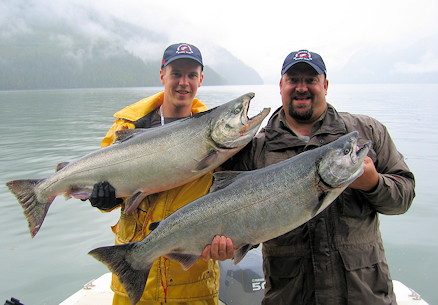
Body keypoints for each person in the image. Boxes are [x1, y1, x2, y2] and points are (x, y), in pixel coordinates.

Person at [209, 49, 416, 305]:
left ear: (325, 85)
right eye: (294, 80)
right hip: (291, 296)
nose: (302, 87)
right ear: (281, 85)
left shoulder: (366, 132)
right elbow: (242, 220)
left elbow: (403, 198)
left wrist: (373, 184)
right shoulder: (254, 149)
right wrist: (229, 242)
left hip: (364, 295)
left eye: (311, 80)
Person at [89, 43, 229, 305]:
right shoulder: (127, 129)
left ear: (201, 79)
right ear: (162, 74)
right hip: (133, 278)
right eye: (176, 73)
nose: (183, 83)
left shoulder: (218, 137)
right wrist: (105, 200)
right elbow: (109, 191)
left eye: (191, 75)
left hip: (194, 282)